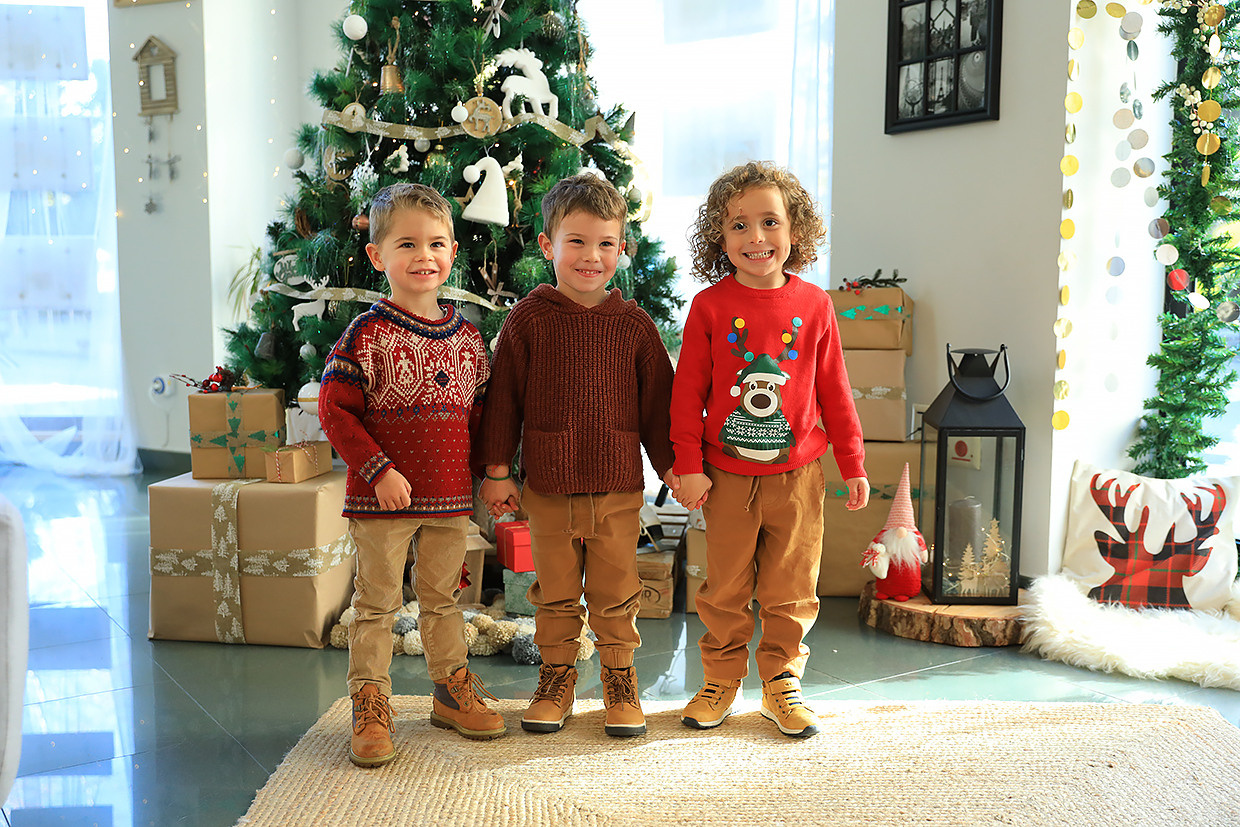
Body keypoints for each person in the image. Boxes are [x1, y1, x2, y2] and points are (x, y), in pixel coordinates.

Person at [670, 161, 869, 738]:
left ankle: (782, 683)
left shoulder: (815, 306)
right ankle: (721, 681)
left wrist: (852, 462)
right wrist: (687, 465)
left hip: (799, 476)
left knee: (791, 586)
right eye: (738, 225)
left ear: (795, 231)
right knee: (724, 587)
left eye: (769, 222)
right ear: (720, 237)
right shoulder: (709, 308)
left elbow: (835, 388)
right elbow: (688, 394)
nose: (756, 238)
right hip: (725, 476)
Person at [478, 172, 677, 738]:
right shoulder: (528, 321)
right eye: (578, 242)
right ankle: (557, 675)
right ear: (548, 246)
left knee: (616, 592)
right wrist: (497, 471)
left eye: (607, 243)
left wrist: (672, 469)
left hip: (616, 489)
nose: (593, 256)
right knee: (556, 591)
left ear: (622, 247)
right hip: (547, 490)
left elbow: (658, 409)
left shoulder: (635, 326)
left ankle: (619, 678)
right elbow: (503, 403)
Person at [319, 182, 505, 768]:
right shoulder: (366, 336)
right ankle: (370, 703)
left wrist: (488, 478)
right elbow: (334, 410)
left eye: (436, 244)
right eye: (407, 244)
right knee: (376, 604)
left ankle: (450, 690)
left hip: (449, 501)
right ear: (378, 257)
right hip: (383, 502)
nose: (423, 257)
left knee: (443, 602)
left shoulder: (469, 337)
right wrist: (377, 470)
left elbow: (478, 414)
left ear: (453, 252)